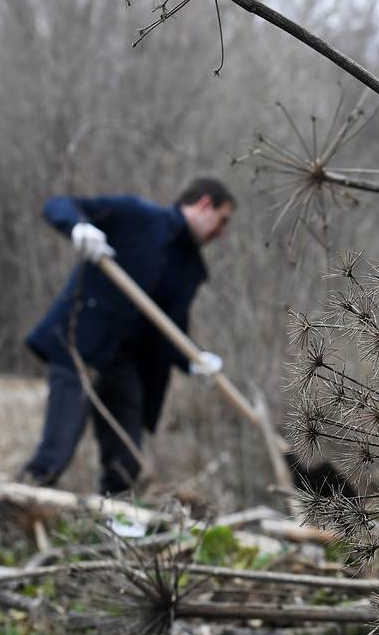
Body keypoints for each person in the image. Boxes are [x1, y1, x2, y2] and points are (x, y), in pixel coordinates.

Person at [21, 178, 234, 495]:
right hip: (80, 348)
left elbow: (170, 330)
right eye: (222, 220)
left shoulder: (190, 268)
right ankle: (6, 505)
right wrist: (79, 228)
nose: (221, 232)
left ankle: (111, 534)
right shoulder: (137, 217)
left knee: (125, 467)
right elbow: (59, 205)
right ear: (204, 204)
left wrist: (193, 360)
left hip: (126, 367)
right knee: (55, 455)